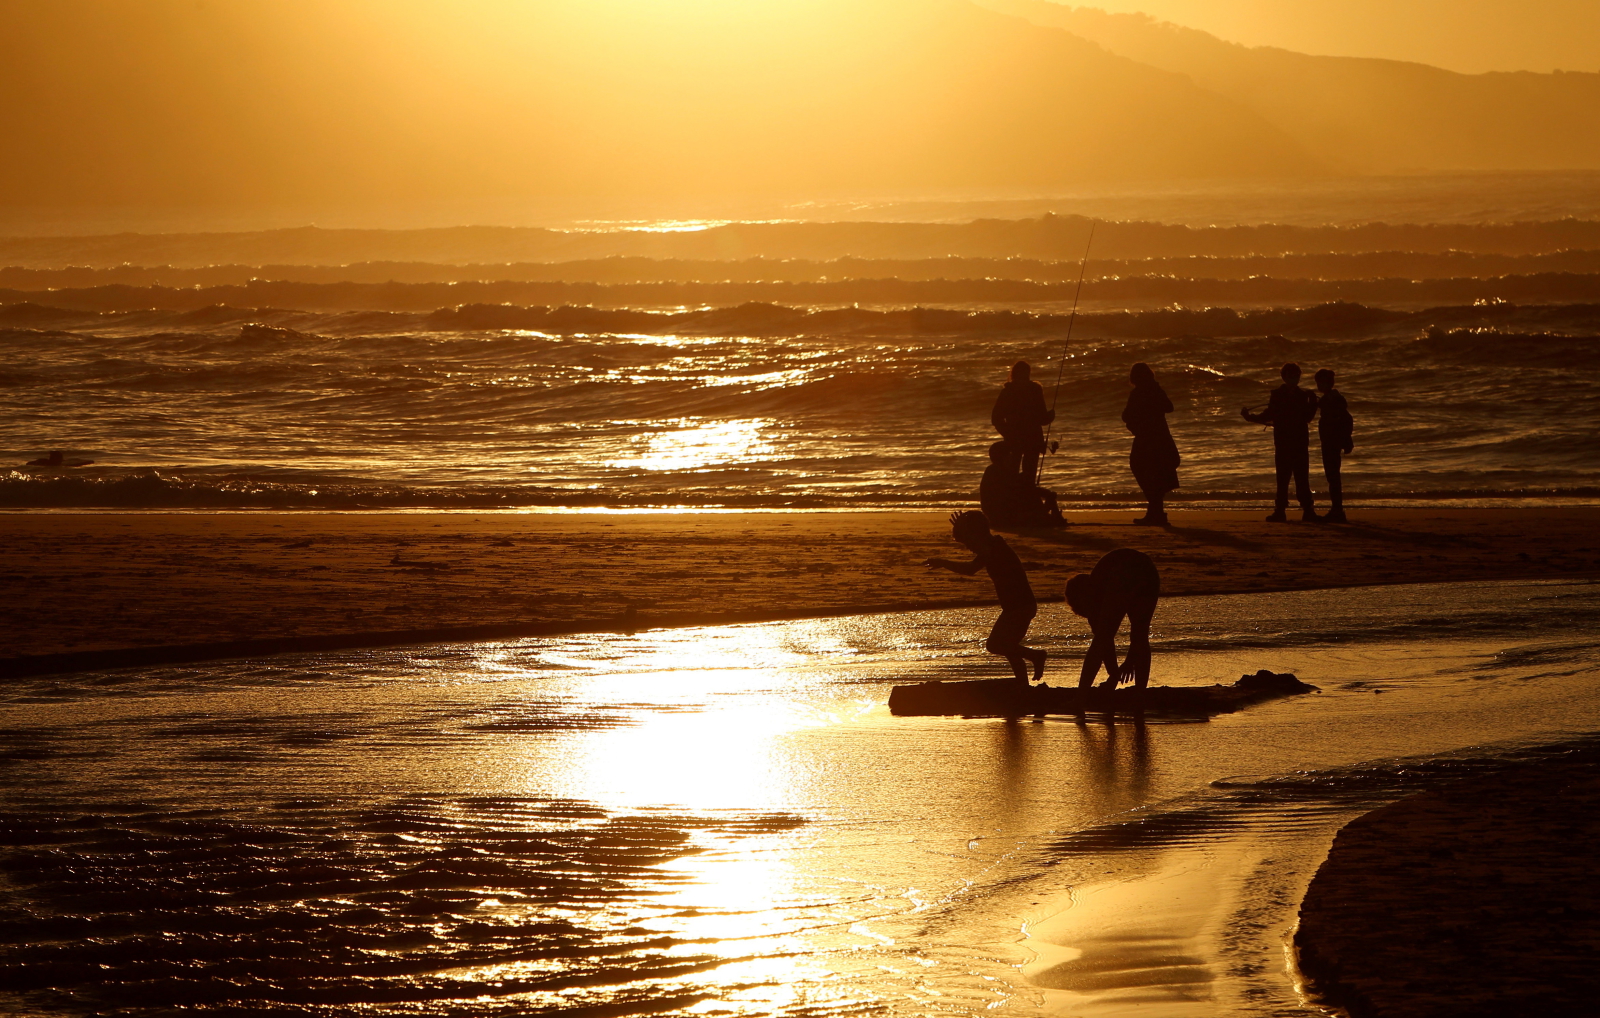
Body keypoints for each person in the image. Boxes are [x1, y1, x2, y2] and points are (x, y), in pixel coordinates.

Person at [925, 510, 1046, 685]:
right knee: (1009, 647)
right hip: (1017, 606)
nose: (968, 547)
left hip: (1020, 607)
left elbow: (970, 569)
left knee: (995, 645)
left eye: (968, 542)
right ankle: (1022, 685)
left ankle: (1036, 656)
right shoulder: (993, 546)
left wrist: (943, 562)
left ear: (976, 534)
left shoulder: (993, 548)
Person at [1065, 548, 1160, 691]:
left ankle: (1080, 698)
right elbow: (1117, 642)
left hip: (1126, 572)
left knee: (1102, 640)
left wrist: (1126, 665)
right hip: (1148, 571)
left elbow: (1103, 642)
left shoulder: (1095, 593)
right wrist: (1116, 673)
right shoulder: (1097, 585)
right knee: (1140, 635)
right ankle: (1140, 694)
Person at [1242, 362, 1320, 522]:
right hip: (1284, 441)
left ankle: (1308, 510)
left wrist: (1313, 404)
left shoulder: (1303, 395)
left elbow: (1307, 417)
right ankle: (1280, 510)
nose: (1294, 379)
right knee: (1283, 477)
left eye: (1297, 375)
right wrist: (1250, 417)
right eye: (1291, 376)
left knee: (1301, 476)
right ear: (1284, 377)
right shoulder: (1277, 395)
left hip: (1299, 441)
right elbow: (1268, 414)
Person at [1122, 362, 1180, 526]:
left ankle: (1155, 512)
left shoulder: (1140, 392)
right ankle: (1156, 512)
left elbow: (1126, 415)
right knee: (1155, 473)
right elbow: (1168, 407)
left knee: (1142, 469)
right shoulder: (1154, 390)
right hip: (1159, 437)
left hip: (1147, 438)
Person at [991, 360, 1054, 483]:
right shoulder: (1035, 390)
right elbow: (1042, 419)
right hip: (1033, 437)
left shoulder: (1007, 391)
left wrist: (1007, 433)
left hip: (1014, 438)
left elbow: (996, 418)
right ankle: (1027, 496)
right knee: (1029, 475)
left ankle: (1014, 498)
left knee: (1012, 473)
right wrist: (1051, 415)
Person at [979, 441, 1065, 528]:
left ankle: (1050, 517)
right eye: (1010, 454)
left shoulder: (995, 471)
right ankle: (1053, 518)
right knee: (1042, 499)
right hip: (1003, 516)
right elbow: (1018, 490)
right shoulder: (999, 472)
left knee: (1039, 499)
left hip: (999, 515)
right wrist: (1047, 493)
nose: (1012, 457)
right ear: (1003, 456)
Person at [1314, 369, 1353, 524]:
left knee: (1333, 476)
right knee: (1333, 476)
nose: (1319, 385)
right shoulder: (1329, 399)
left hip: (1332, 442)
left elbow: (1346, 419)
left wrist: (1346, 439)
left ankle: (1337, 510)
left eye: (1320, 382)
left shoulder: (1333, 400)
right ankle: (1337, 509)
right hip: (1329, 441)